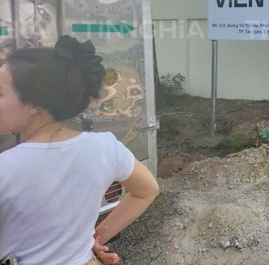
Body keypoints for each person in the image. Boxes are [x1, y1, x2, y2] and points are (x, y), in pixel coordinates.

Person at [0, 36, 159, 265]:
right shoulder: (105, 147)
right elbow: (147, 190)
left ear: (35, 103)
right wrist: (94, 238)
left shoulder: (6, 167)